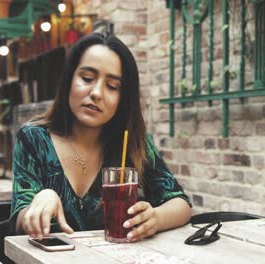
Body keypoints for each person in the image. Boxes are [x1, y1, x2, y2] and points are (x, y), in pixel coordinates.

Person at [10, 32, 191, 242]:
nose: (96, 92)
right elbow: (19, 220)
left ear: (122, 99)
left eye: (112, 86)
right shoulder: (34, 138)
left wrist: (155, 218)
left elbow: (181, 203)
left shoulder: (130, 142)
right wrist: (41, 200)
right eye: (87, 78)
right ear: (68, 79)